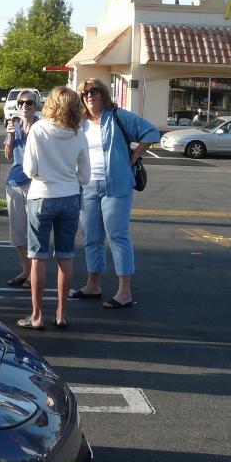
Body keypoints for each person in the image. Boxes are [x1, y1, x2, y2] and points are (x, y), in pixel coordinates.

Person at [70, 77, 159, 309]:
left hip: (116, 185)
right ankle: (93, 284)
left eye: (94, 91)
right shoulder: (80, 122)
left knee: (118, 237)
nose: (90, 96)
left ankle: (124, 292)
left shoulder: (119, 116)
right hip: (87, 185)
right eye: (85, 92)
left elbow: (151, 133)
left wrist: (133, 157)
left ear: (103, 94)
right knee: (91, 236)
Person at [17, 87, 90, 331]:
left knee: (38, 257)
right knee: (66, 255)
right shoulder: (78, 133)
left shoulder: (39, 129)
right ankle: (61, 314)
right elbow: (86, 176)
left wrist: (43, 173)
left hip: (41, 196)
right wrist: (68, 175)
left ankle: (36, 316)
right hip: (69, 197)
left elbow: (29, 169)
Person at [4, 90, 40, 288]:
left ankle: (35, 273)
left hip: (36, 183)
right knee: (18, 231)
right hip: (15, 183)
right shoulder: (15, 127)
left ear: (36, 106)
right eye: (21, 103)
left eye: (29, 103)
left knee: (34, 229)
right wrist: (10, 135)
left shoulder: (41, 127)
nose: (25, 106)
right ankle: (26, 270)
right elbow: (8, 155)